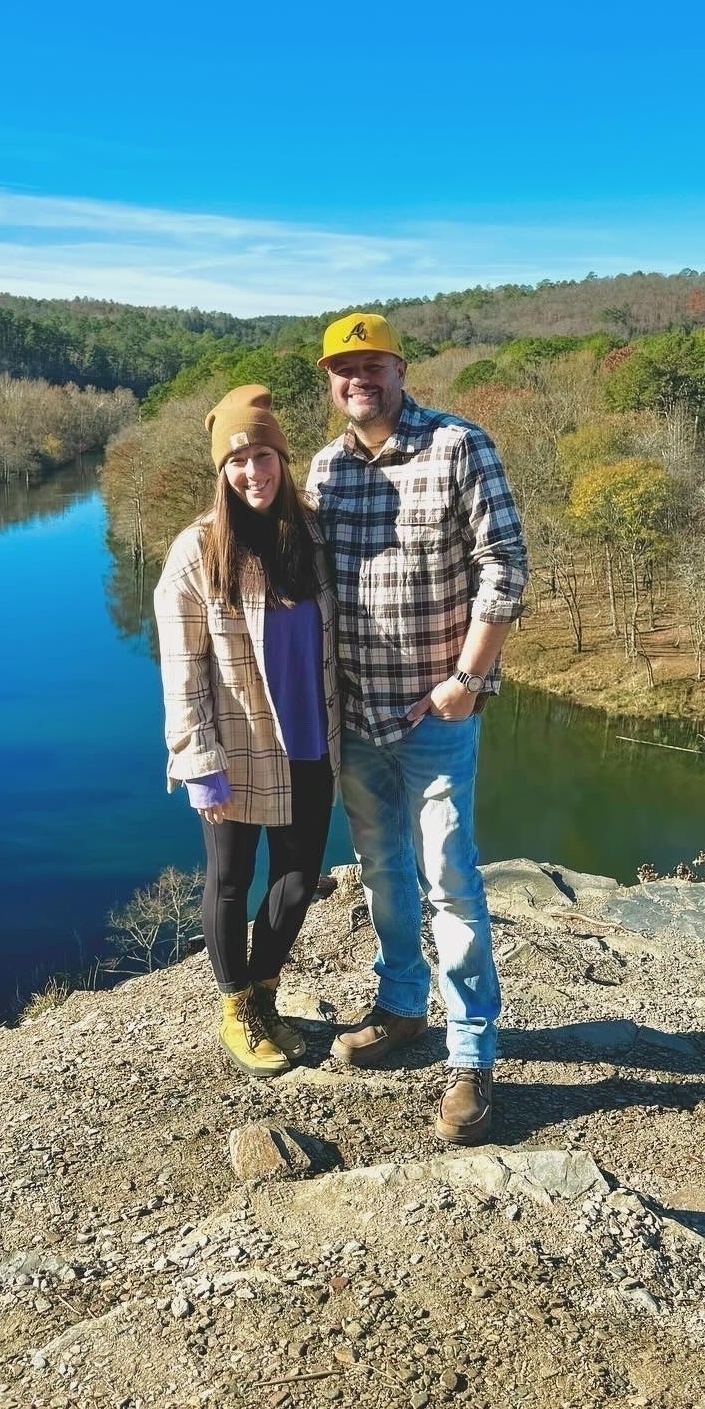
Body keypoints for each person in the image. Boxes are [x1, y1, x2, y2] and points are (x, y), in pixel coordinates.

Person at [307, 312, 527, 1144]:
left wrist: (469, 679)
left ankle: (471, 1053)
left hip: (435, 712)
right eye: (342, 367)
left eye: (373, 364)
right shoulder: (327, 468)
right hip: (356, 713)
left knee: (449, 878)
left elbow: (504, 566)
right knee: (378, 868)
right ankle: (401, 1005)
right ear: (329, 381)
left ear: (401, 370)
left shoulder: (460, 447)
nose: (357, 379)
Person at [153, 383, 340, 1078]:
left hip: (312, 743)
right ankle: (235, 1011)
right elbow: (182, 665)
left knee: (299, 876)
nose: (252, 472)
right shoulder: (197, 552)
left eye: (264, 455)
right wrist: (196, 757)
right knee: (230, 882)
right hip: (235, 748)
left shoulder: (314, 536)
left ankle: (265, 993)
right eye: (237, 461)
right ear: (221, 472)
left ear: (283, 460)